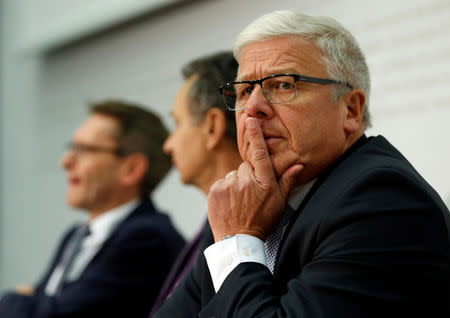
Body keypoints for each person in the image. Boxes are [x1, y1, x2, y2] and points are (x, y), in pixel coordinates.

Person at [154, 10, 450, 317]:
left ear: (351, 110)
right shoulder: (245, 201)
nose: (253, 108)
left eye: (283, 85)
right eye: (244, 91)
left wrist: (238, 240)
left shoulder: (383, 198)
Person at [0, 100, 185, 318]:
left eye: (84, 150)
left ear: (132, 169)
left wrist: (12, 299)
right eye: (71, 148)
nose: (65, 162)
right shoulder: (74, 236)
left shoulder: (147, 239)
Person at [148, 51, 241, 316]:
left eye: (177, 123)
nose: (168, 145)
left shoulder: (252, 232)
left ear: (212, 127)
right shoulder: (212, 225)